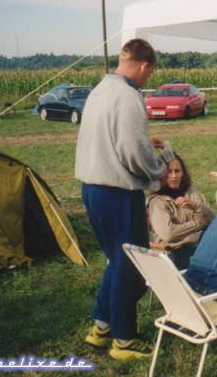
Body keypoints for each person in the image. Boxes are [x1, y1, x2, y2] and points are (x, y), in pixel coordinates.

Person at [75, 38, 167, 360]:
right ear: (144, 65)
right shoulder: (129, 96)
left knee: (116, 261)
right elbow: (134, 152)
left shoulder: (99, 90)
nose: (147, 78)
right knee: (132, 267)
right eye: (149, 73)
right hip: (118, 192)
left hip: (93, 187)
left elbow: (109, 137)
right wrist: (158, 171)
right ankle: (124, 339)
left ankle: (101, 327)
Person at [147, 154, 215, 269]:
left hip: (202, 245)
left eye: (177, 171)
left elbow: (214, 221)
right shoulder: (157, 202)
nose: (173, 176)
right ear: (160, 174)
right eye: (168, 172)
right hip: (175, 255)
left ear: (183, 173)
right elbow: (169, 234)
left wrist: (195, 206)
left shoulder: (193, 194)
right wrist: (199, 223)